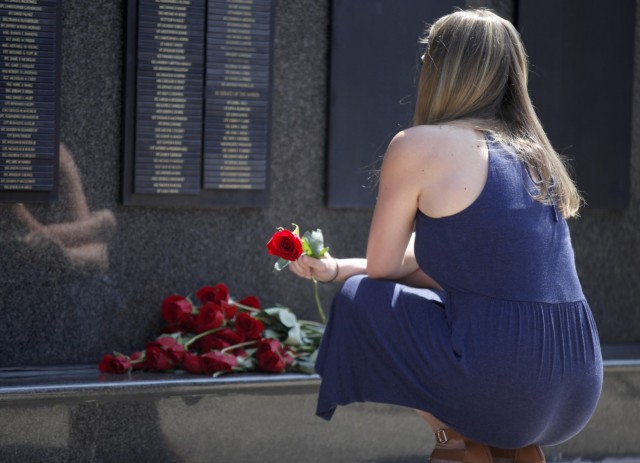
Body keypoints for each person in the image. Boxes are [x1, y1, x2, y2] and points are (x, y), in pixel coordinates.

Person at [288, 8, 603, 463]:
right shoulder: (536, 154)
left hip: (505, 382)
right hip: (578, 387)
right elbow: (450, 268)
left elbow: (382, 272)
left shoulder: (419, 144)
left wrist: (344, 277)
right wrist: (335, 267)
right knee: (434, 304)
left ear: (438, 68)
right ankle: (510, 448)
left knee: (360, 301)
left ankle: (454, 442)